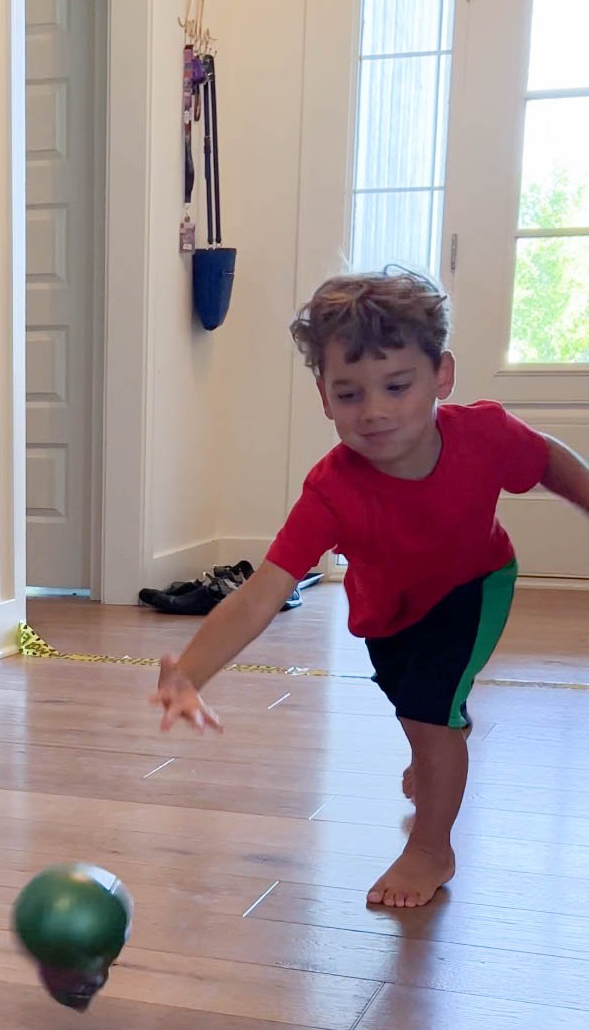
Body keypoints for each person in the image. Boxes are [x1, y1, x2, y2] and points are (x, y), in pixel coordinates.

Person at [151, 270, 589, 909]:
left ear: (442, 376)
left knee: (433, 715)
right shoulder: (332, 489)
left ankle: (432, 848)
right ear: (324, 397)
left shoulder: (485, 436)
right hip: (388, 613)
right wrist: (188, 674)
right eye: (350, 393)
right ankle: (432, 749)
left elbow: (545, 457)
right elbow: (261, 591)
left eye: (397, 386)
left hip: (474, 584)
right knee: (417, 708)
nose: (375, 410)